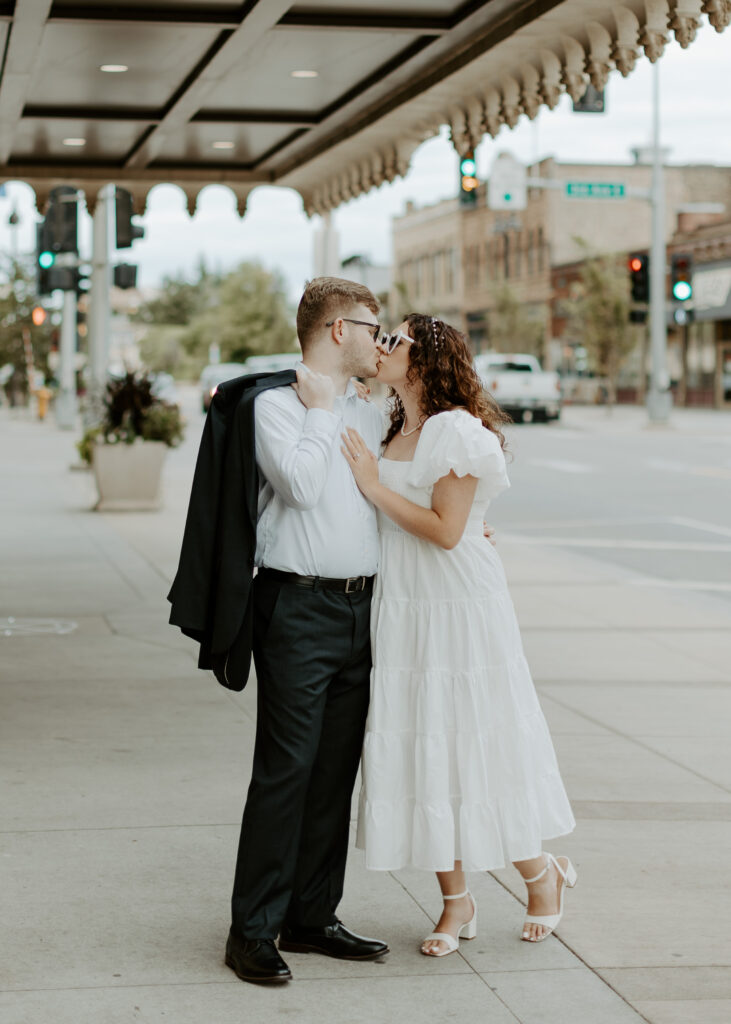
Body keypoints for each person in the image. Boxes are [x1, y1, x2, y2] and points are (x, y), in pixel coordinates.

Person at [340, 314, 577, 956]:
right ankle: (457, 902)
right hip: (406, 601)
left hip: (456, 605)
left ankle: (540, 875)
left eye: (396, 340)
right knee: (423, 746)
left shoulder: (457, 431)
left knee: (474, 741)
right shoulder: (394, 425)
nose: (384, 346)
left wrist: (370, 487)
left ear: (425, 359)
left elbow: (447, 531)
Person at [224, 277, 390, 985]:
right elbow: (297, 485)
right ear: (334, 330)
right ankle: (252, 931)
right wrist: (321, 412)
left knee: (333, 773)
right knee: (286, 770)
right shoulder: (275, 405)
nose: (377, 341)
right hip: (296, 608)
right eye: (369, 328)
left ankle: (312, 916)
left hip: (363, 609)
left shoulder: (368, 407)